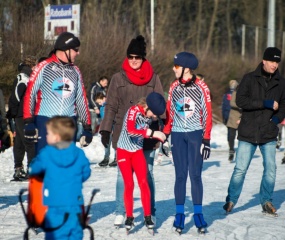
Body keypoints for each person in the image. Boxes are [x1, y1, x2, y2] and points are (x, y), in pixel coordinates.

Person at [99, 35, 165, 226]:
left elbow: (161, 105)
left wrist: (164, 133)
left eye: (137, 57)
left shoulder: (153, 78)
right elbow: (110, 105)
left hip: (147, 134)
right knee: (122, 176)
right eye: (130, 57)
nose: (134, 60)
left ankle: (149, 211)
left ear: (143, 58)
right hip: (124, 134)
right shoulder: (117, 78)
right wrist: (105, 129)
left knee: (147, 174)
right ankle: (121, 210)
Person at [223, 47, 285, 217]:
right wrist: (264, 103)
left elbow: (284, 106)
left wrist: (275, 120)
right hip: (248, 132)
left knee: (271, 169)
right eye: (272, 61)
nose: (274, 65)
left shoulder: (281, 82)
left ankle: (266, 200)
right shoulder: (249, 78)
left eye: (277, 62)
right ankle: (231, 200)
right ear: (264, 61)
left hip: (268, 132)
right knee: (240, 169)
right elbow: (241, 100)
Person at [162, 52, 212, 234]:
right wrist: (165, 135)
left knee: (195, 174)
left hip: (195, 133)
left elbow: (207, 113)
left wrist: (206, 139)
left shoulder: (201, 87)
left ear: (186, 69)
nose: (173, 69)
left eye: (176, 66)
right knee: (180, 175)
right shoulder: (173, 86)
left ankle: (198, 214)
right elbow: (169, 113)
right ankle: (180, 214)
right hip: (177, 134)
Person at [23, 32, 92, 154]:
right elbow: (30, 94)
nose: (78, 53)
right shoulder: (43, 67)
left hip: (68, 123)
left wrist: (87, 128)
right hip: (46, 121)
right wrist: (29, 121)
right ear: (66, 50)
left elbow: (81, 100)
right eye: (75, 50)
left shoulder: (75, 71)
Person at [29, 116, 91, 240]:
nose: (46, 136)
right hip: (75, 204)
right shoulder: (78, 153)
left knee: (55, 233)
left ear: (56, 137)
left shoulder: (46, 153)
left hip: (54, 204)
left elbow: (34, 169)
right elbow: (86, 172)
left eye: (48, 133)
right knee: (75, 234)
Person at [117, 92, 166, 230]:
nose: (153, 117)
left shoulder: (149, 115)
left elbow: (160, 126)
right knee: (129, 183)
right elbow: (131, 130)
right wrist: (151, 133)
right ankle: (130, 216)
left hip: (137, 152)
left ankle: (148, 216)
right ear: (147, 107)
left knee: (143, 182)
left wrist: (165, 141)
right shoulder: (133, 111)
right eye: (153, 114)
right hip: (124, 151)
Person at [7, 56, 37, 180]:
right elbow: (16, 96)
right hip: (23, 114)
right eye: (35, 65)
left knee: (19, 143)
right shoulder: (23, 77)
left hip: (22, 114)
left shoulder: (28, 76)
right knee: (29, 142)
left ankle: (19, 168)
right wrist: (12, 113)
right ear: (31, 65)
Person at [95, 92, 116, 167]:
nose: (100, 104)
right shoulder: (102, 108)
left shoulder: (110, 105)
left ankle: (116, 158)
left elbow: (112, 117)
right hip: (106, 128)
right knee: (106, 142)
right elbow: (103, 119)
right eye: (98, 103)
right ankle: (106, 158)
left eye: (100, 102)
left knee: (115, 143)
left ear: (104, 98)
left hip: (113, 126)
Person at [224, 80, 239, 161]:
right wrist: (240, 105)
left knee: (242, 136)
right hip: (233, 116)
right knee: (231, 135)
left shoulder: (247, 93)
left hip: (242, 117)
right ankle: (231, 150)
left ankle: (241, 151)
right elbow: (231, 103)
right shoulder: (233, 93)